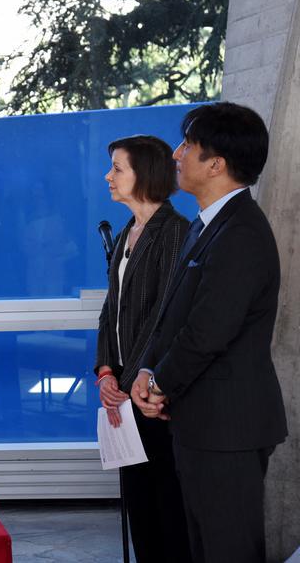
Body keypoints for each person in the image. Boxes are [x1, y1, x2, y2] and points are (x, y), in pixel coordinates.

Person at [132, 102, 288, 563]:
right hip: (202, 422)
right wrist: (146, 369)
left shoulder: (240, 232)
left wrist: (159, 383)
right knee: (203, 548)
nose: (176, 154)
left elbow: (208, 332)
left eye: (187, 146)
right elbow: (173, 315)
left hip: (229, 427)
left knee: (229, 550)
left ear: (216, 163)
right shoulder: (207, 225)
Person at [95, 135, 191, 562]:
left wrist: (131, 378)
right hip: (126, 385)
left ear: (145, 174)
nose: (108, 176)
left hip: (155, 391)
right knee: (140, 510)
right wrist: (105, 371)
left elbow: (164, 315)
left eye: (118, 168)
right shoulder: (126, 233)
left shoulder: (175, 232)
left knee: (167, 510)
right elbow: (110, 309)